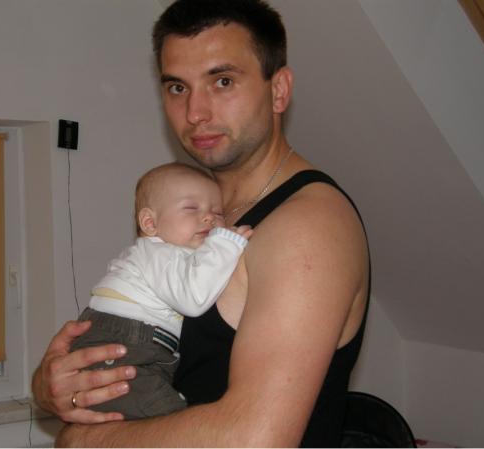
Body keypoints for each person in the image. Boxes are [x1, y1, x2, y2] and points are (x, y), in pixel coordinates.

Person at [33, 0, 371, 446]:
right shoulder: (191, 209)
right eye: (177, 87)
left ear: (279, 90)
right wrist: (51, 388)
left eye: (222, 81)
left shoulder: (307, 228)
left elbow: (254, 440)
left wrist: (80, 440)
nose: (195, 112)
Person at [69, 162, 252, 420]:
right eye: (192, 208)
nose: (209, 217)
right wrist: (226, 245)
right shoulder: (158, 253)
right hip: (122, 342)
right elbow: (193, 299)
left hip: (139, 345)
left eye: (217, 212)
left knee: (160, 417)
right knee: (168, 420)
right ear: (149, 222)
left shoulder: (169, 255)